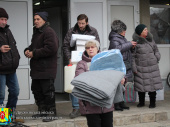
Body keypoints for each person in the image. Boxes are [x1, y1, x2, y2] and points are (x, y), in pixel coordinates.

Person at [75, 40, 125, 127]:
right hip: (91, 104)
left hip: (106, 103)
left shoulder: (106, 60)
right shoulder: (82, 64)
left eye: (92, 47)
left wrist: (122, 78)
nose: (90, 49)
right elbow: (80, 79)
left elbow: (116, 71)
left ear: (97, 49)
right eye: (87, 48)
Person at [63, 14, 100, 118]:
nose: (81, 25)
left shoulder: (93, 31)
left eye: (83, 23)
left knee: (89, 84)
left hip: (89, 60)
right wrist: (69, 57)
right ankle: (76, 108)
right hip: (75, 60)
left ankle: (87, 108)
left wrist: (95, 57)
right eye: (79, 23)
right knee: (75, 83)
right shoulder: (71, 31)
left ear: (87, 22)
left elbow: (97, 44)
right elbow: (65, 45)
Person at [24, 11, 59, 122]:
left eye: (38, 19)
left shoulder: (49, 32)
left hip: (46, 69)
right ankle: (42, 111)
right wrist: (27, 50)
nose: (36, 21)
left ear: (44, 20)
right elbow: (34, 46)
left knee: (48, 92)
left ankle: (52, 113)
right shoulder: (37, 32)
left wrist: (34, 53)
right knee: (36, 90)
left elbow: (51, 48)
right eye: (34, 19)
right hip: (37, 69)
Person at [0, 8, 24, 123]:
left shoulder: (8, 31)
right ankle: (3, 120)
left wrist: (17, 58)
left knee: (15, 91)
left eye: (5, 19)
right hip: (0, 69)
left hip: (11, 69)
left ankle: (10, 117)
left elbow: (14, 47)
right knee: (0, 95)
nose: (4, 22)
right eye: (1, 19)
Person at [132, 24, 163, 108]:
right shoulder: (135, 42)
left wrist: (157, 57)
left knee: (152, 86)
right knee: (141, 85)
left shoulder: (151, 40)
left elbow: (156, 50)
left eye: (146, 29)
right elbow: (132, 56)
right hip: (140, 68)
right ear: (140, 32)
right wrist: (134, 67)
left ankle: (153, 103)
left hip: (153, 67)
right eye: (144, 30)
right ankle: (141, 102)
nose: (147, 31)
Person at [108, 20, 137, 111]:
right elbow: (116, 49)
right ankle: (117, 104)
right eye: (124, 30)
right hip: (118, 64)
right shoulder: (114, 39)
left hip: (124, 64)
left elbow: (125, 49)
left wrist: (131, 48)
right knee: (118, 85)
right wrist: (129, 44)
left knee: (123, 84)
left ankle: (121, 102)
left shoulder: (121, 38)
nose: (125, 32)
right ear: (119, 30)